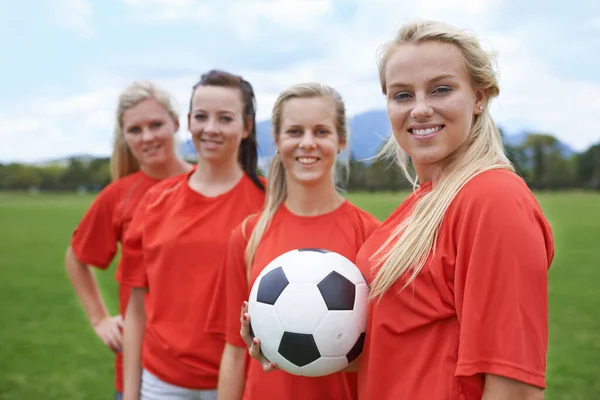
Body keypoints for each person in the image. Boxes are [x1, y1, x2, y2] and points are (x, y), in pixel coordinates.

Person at [243, 20, 554, 400]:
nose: (420, 109)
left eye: (441, 89)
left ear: (479, 97)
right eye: (402, 95)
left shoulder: (494, 199)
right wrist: (283, 337)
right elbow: (403, 351)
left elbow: (515, 386)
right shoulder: (421, 205)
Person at [213, 83, 380, 400]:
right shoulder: (249, 235)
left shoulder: (373, 236)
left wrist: (303, 359)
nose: (307, 143)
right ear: (276, 140)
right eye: (294, 132)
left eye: (321, 131)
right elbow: (234, 353)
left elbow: (389, 354)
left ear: (340, 140)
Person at [120, 70, 266, 400]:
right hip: (161, 383)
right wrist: (131, 394)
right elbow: (136, 309)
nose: (210, 128)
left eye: (225, 118)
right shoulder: (155, 202)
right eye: (201, 116)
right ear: (188, 121)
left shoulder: (270, 203)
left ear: (246, 127)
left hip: (241, 380)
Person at [65, 81, 193, 400]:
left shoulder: (209, 184)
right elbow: (76, 257)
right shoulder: (120, 195)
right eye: (135, 129)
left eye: (156, 124)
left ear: (176, 123)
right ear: (125, 137)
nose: (147, 137)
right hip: (142, 368)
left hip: (211, 363)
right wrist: (99, 319)